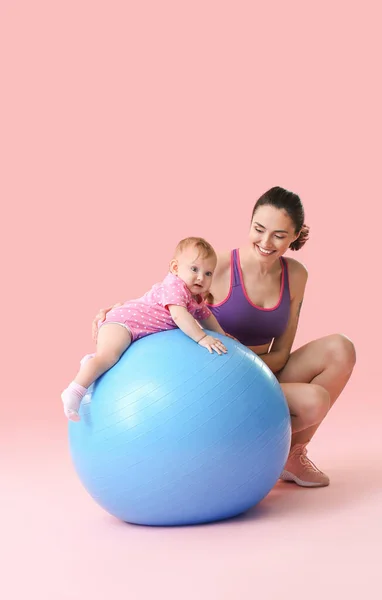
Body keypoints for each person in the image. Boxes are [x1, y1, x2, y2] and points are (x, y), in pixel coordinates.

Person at [93, 187, 356, 487]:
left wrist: (251, 367)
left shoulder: (296, 275)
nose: (266, 242)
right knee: (312, 401)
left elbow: (283, 351)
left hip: (262, 368)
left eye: (279, 235)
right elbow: (163, 301)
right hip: (218, 377)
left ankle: (291, 455)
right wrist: (116, 313)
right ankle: (241, 448)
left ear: (295, 236)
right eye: (259, 229)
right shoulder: (213, 266)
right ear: (250, 223)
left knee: (341, 348)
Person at [62, 237, 228, 422]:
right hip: (124, 323)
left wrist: (223, 336)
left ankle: (90, 364)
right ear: (175, 268)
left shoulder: (195, 297)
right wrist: (202, 338)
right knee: (108, 357)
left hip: (136, 330)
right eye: (194, 269)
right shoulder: (175, 287)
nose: (200, 277)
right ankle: (74, 392)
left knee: (110, 357)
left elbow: (206, 317)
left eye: (208, 273)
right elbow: (179, 316)